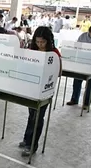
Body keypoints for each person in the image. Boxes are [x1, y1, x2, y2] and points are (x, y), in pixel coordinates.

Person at [19, 26, 61, 157]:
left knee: (38, 117)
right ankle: (27, 139)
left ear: (49, 41)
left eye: (43, 42)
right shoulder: (32, 50)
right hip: (32, 88)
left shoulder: (54, 53)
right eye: (37, 42)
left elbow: (59, 72)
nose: (40, 44)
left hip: (45, 90)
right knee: (31, 115)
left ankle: (32, 146)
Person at [67, 27, 91, 109]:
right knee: (77, 81)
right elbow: (76, 48)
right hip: (81, 63)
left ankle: (86, 103)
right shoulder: (83, 36)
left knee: (89, 85)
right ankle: (74, 99)